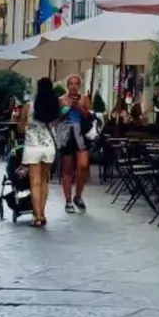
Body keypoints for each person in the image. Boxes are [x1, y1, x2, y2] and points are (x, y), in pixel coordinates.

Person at [19, 77, 58, 227]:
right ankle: (43, 212)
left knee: (34, 183)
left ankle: (37, 215)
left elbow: (21, 129)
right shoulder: (54, 107)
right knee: (44, 181)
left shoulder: (28, 107)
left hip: (32, 147)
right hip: (49, 147)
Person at [58, 73, 94, 214]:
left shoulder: (84, 99)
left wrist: (79, 107)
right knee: (67, 169)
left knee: (83, 166)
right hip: (66, 133)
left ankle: (78, 195)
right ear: (67, 86)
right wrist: (65, 108)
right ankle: (68, 200)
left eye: (76, 83)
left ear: (79, 85)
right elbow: (57, 118)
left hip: (81, 133)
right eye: (71, 83)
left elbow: (90, 117)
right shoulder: (61, 99)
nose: (73, 86)